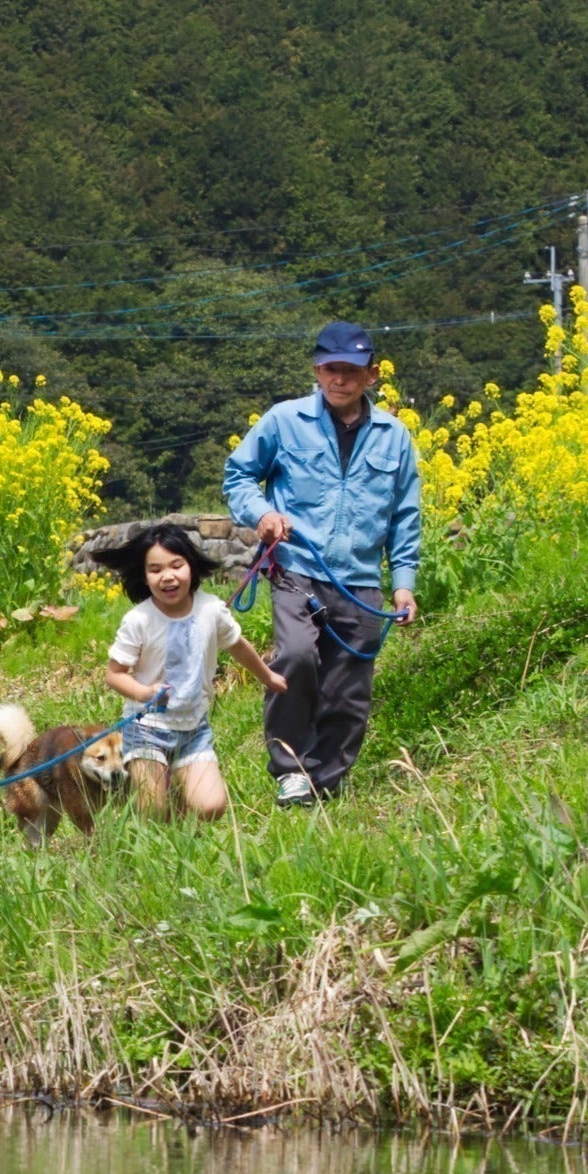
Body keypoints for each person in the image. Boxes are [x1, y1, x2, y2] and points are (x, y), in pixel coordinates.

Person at [221, 319, 424, 808]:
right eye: (331, 370)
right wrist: (263, 514)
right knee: (294, 657)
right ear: (317, 369)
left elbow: (405, 515)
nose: (340, 380)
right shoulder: (284, 420)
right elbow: (239, 476)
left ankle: (324, 782)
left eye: (352, 372)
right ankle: (290, 769)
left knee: (349, 691)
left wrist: (403, 582)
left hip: (360, 582)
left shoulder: (395, 437)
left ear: (371, 375)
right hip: (296, 569)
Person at [100, 522, 286, 821]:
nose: (168, 576)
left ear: (191, 565)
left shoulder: (211, 610)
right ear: (144, 577)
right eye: (156, 569)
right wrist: (144, 692)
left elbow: (237, 645)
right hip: (146, 727)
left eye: (177, 565)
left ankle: (177, 796)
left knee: (210, 807)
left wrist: (268, 677)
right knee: (152, 811)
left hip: (193, 728)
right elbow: (114, 673)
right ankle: (159, 800)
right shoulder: (138, 620)